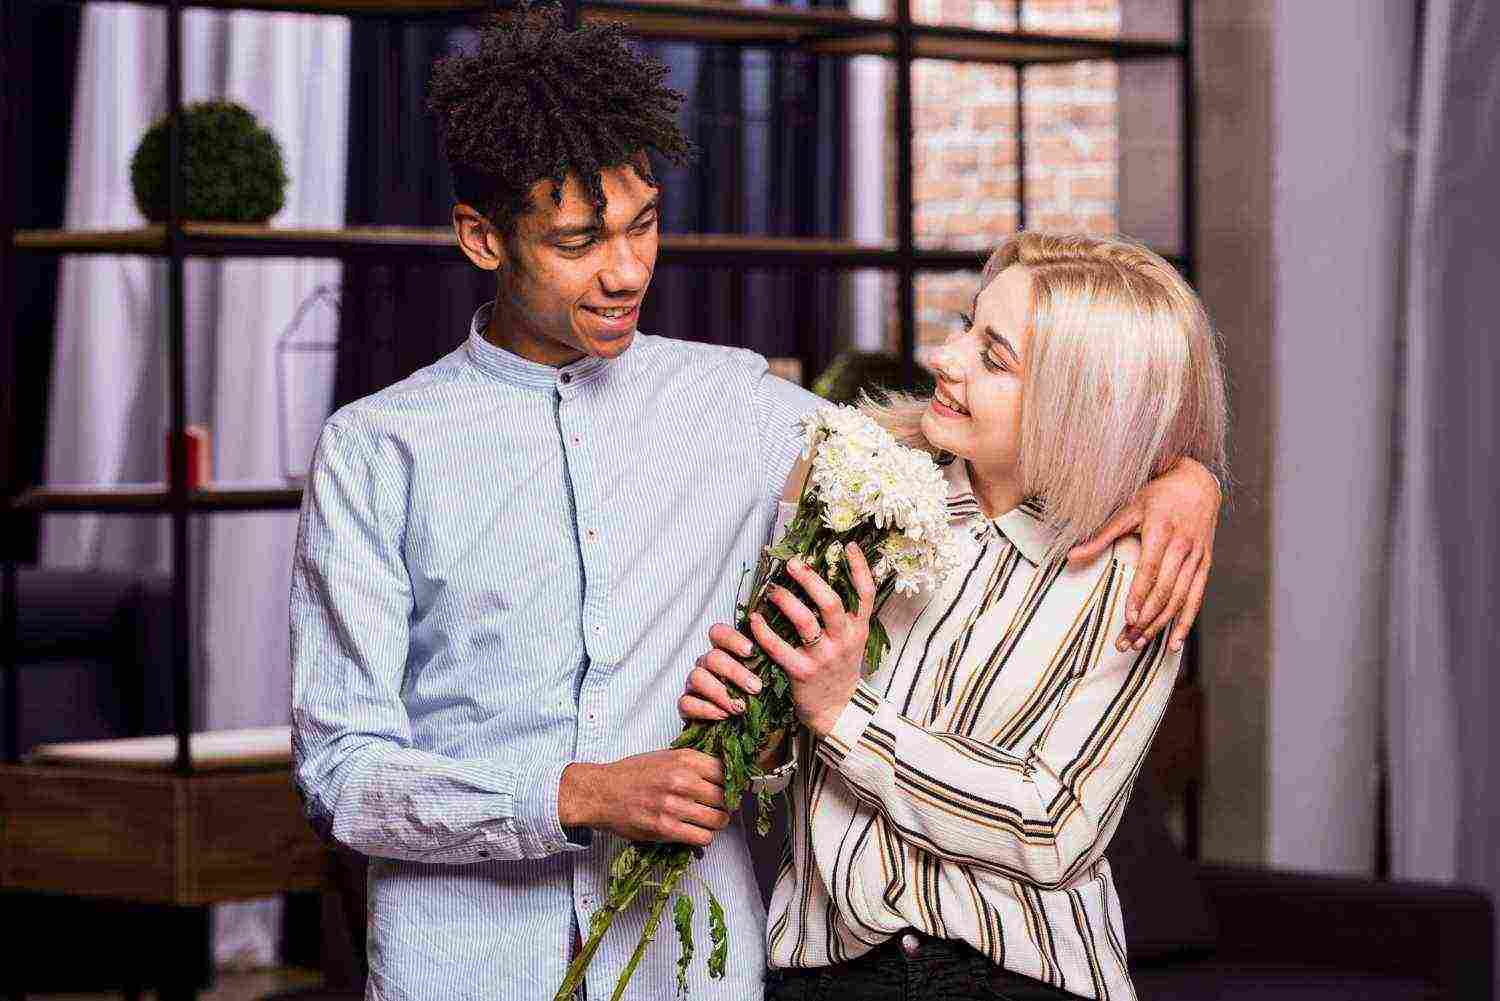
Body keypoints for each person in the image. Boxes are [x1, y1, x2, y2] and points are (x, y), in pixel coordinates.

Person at [288, 11, 1224, 1001]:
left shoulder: (736, 402)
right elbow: (341, 769)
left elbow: (967, 435)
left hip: (691, 966)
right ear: (483, 236)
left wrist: (1184, 473)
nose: (626, 269)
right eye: (577, 241)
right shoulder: (376, 450)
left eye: (643, 222)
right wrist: (575, 793)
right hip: (466, 964)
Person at [680, 232, 1227, 1001]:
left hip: (1015, 977)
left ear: (1077, 403)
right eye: (968, 325)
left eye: (993, 356)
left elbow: (1053, 826)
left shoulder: (1134, 572)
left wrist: (845, 715)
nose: (946, 357)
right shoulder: (855, 496)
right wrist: (751, 718)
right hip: (825, 974)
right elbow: (779, 756)